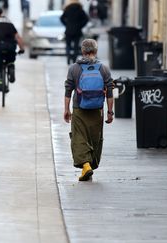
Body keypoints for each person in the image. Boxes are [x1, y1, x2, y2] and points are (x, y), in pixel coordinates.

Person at [63, 39, 114, 181]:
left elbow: (68, 90)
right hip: (97, 110)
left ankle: (86, 166)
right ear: (95, 51)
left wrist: (66, 109)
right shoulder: (103, 69)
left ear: (82, 51)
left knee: (79, 137)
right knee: (94, 138)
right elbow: (109, 92)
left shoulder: (74, 68)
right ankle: (90, 164)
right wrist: (110, 112)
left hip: (79, 108)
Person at [0, 6, 25, 101]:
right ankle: (11, 67)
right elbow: (17, 37)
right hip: (10, 47)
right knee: (10, 58)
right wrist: (22, 48)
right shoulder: (9, 22)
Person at [60, 0, 89, 65]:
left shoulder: (67, 9)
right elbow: (86, 19)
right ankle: (74, 59)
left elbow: (61, 18)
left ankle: (68, 57)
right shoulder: (80, 10)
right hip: (77, 31)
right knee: (76, 46)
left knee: (68, 45)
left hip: (68, 31)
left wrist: (66, 24)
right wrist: (81, 25)